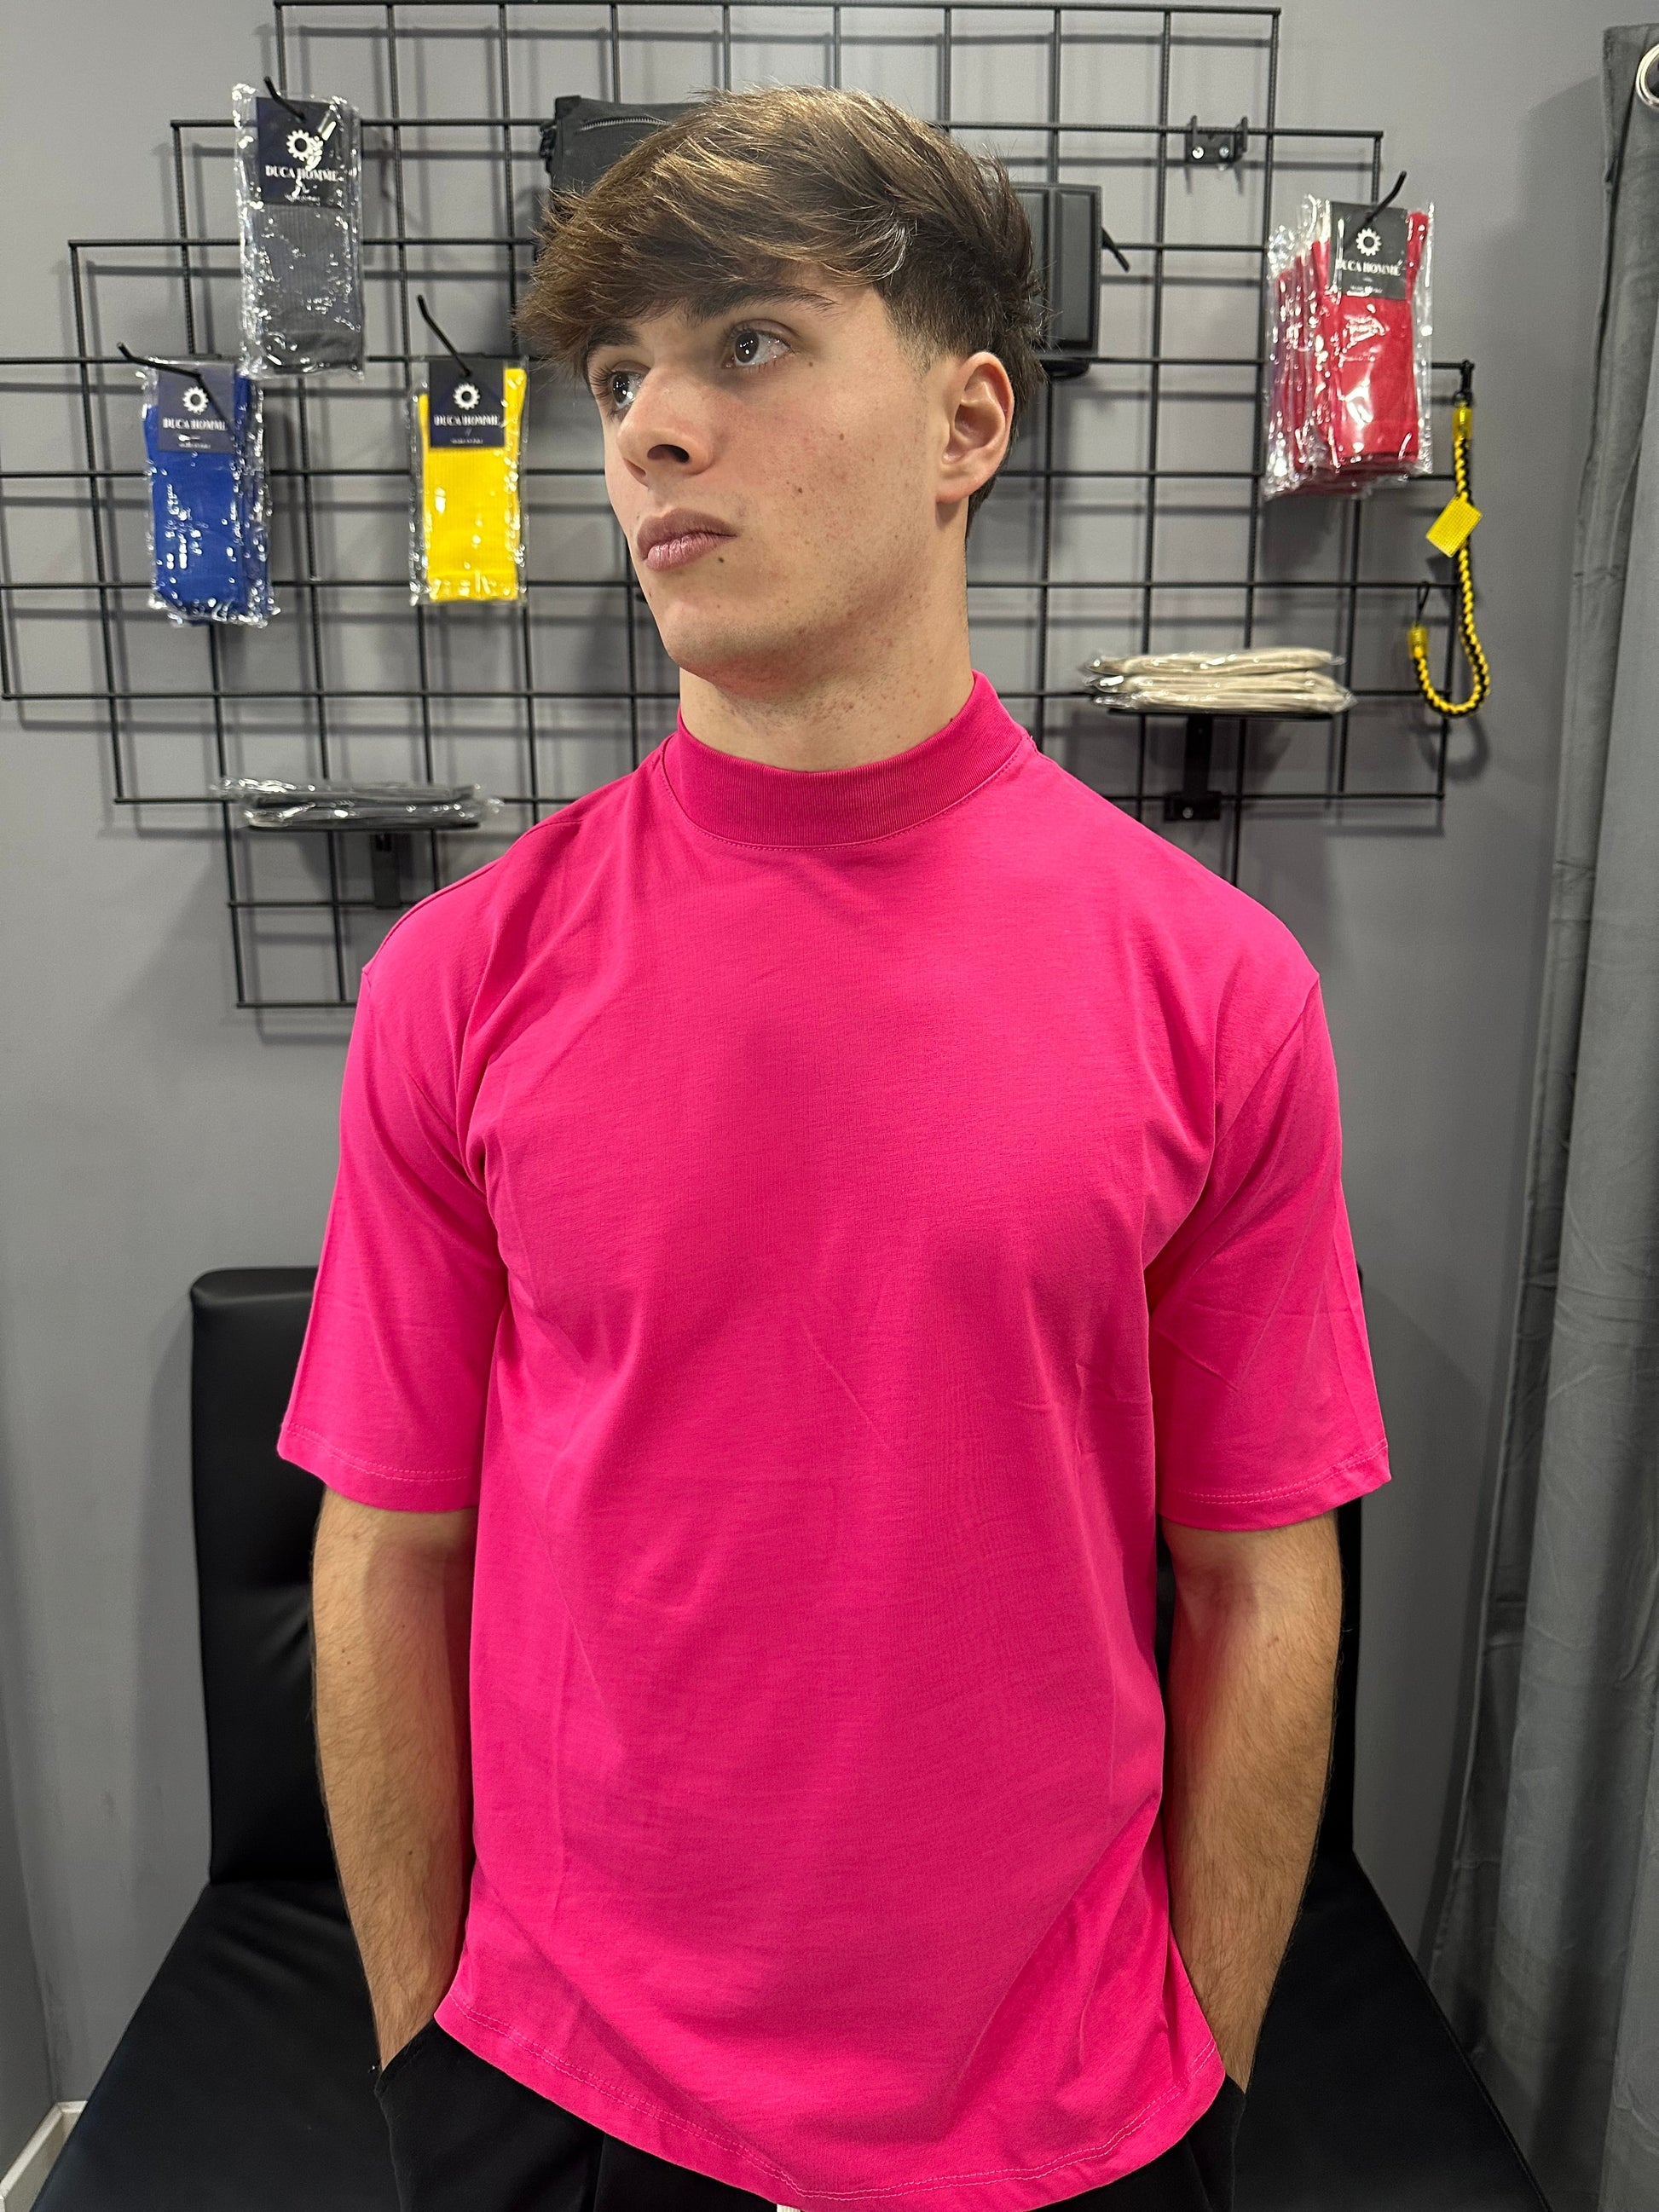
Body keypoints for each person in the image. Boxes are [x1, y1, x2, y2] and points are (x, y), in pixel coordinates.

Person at [280, 82, 1391, 2212]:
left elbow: (1261, 1570)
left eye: (748, 341)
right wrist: (425, 2046)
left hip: (1067, 2109)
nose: (649, 430)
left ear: (968, 422)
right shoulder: (462, 980)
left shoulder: (1214, 990)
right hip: (562, 2095)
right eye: (620, 375)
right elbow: (389, 1541)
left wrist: (1213, 2058)